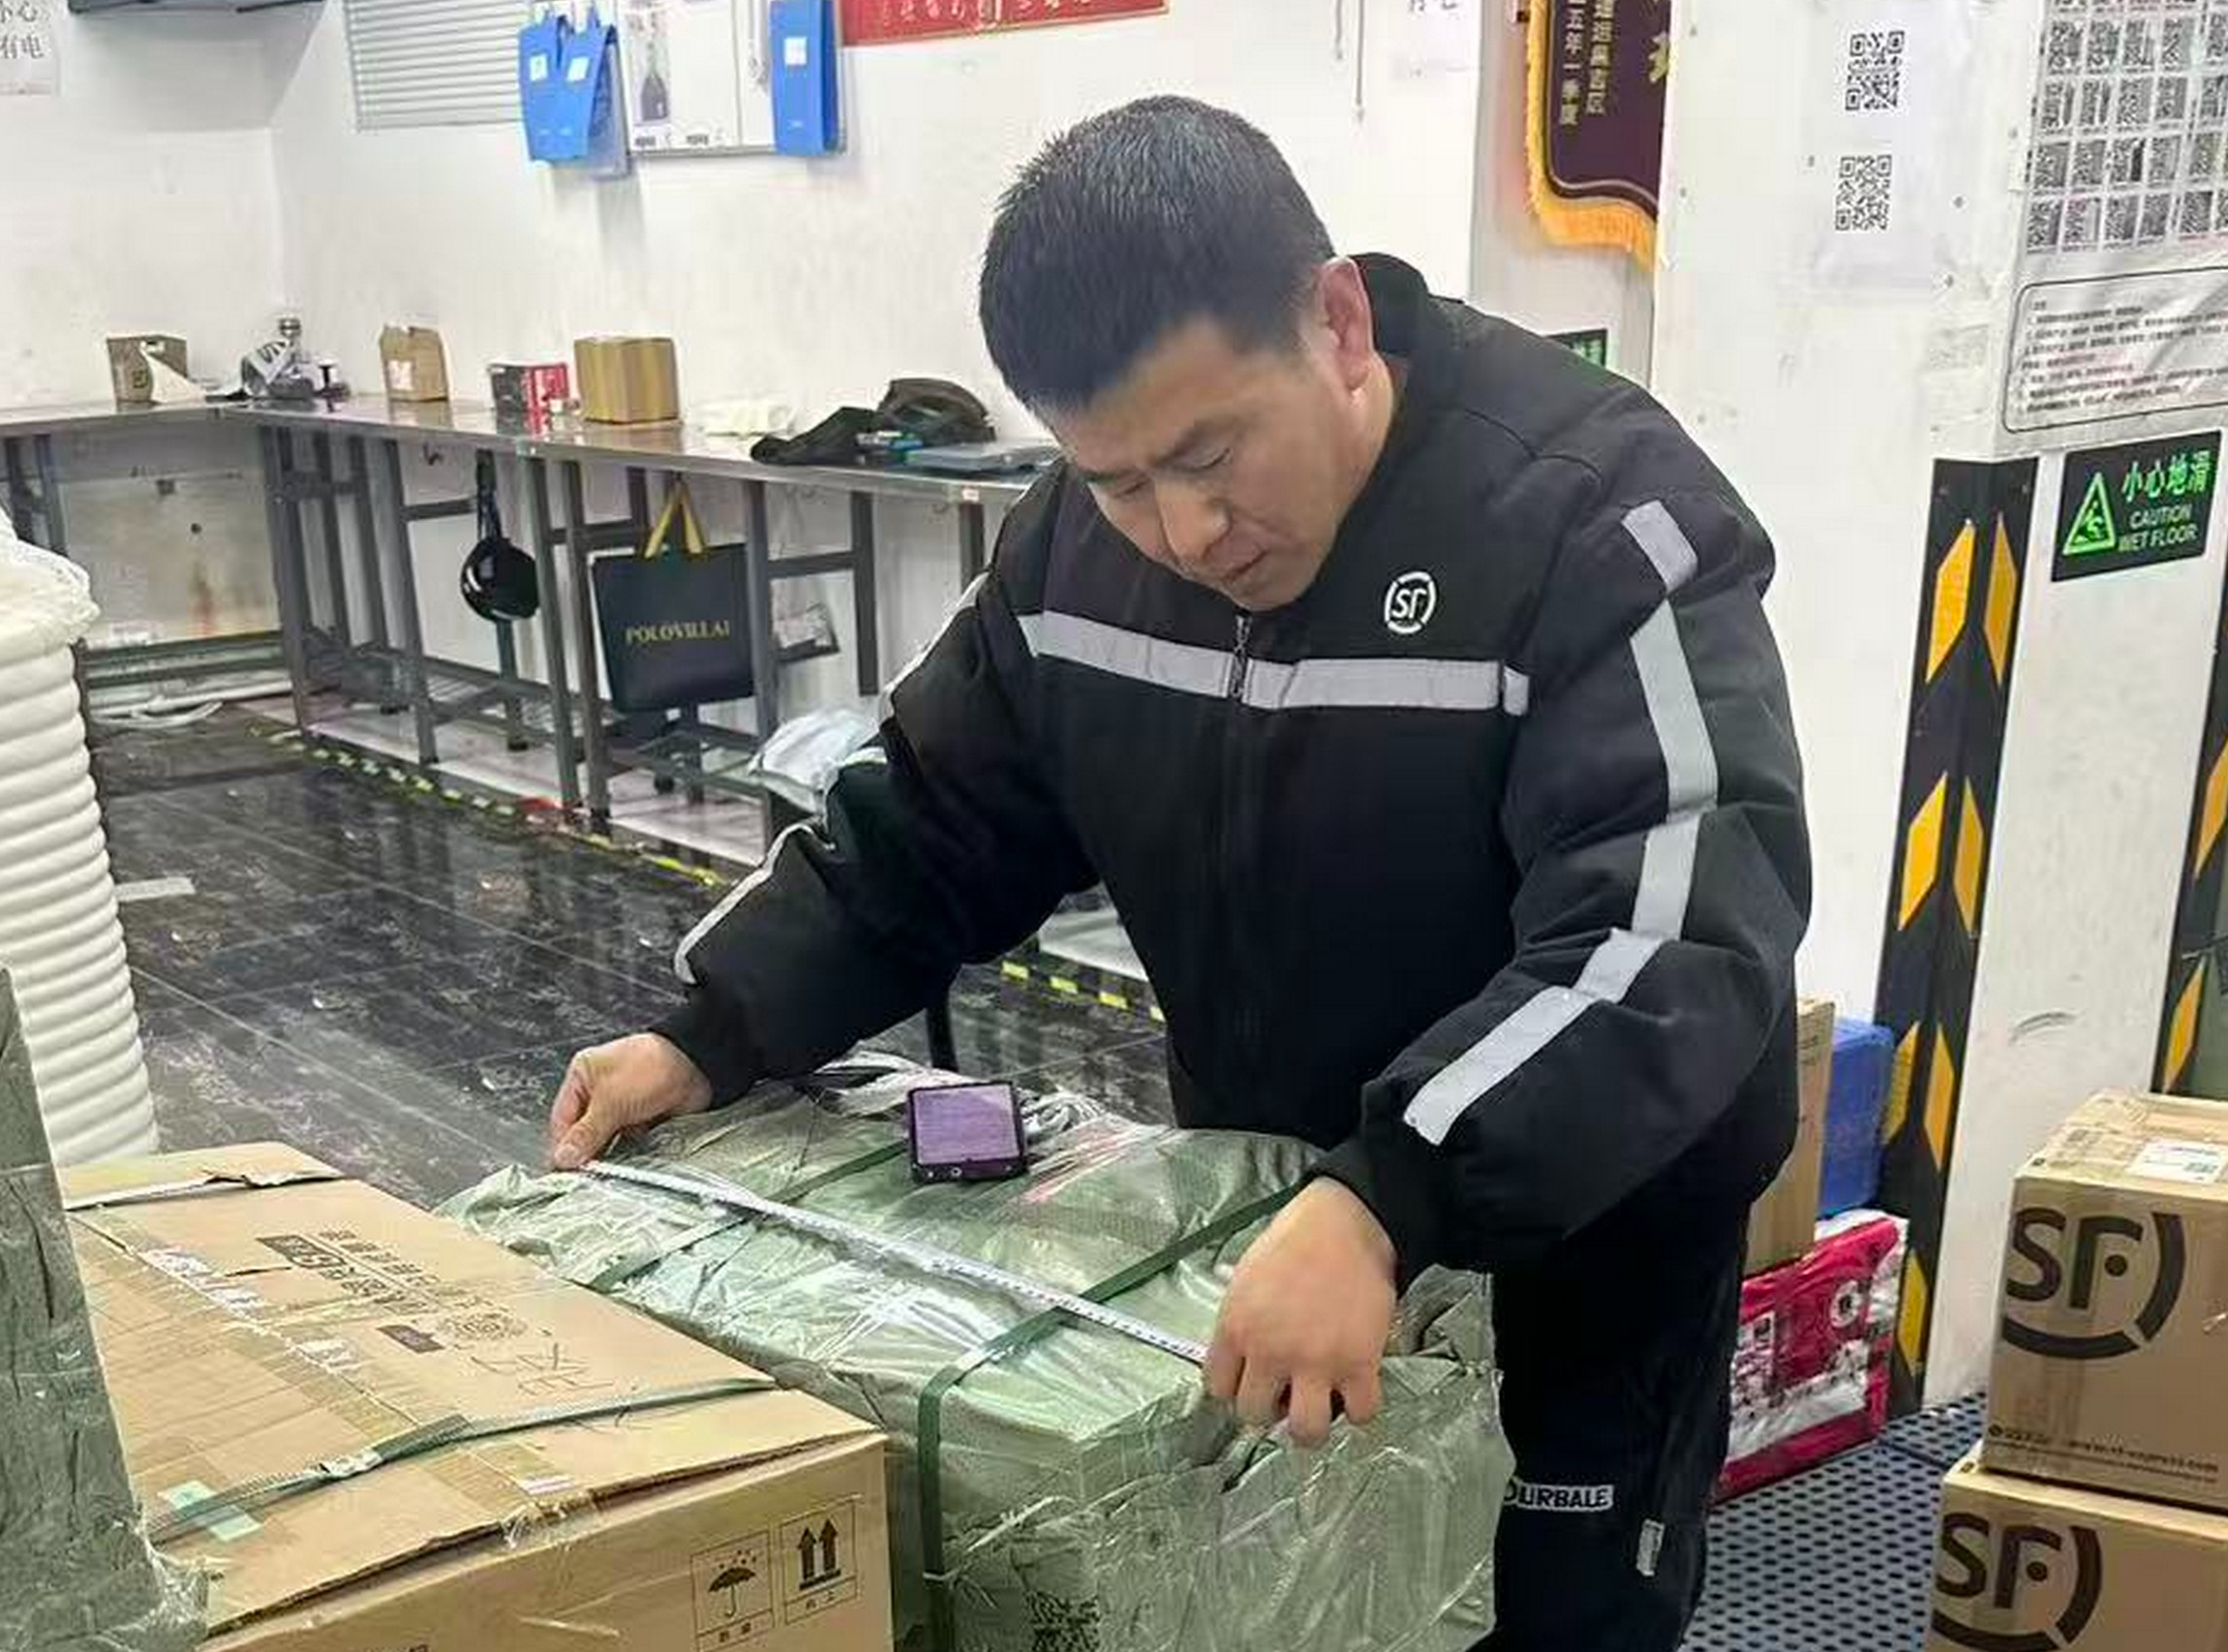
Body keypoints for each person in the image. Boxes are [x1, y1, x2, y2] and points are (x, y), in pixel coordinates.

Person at [545, 96, 1811, 1652]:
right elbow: (929, 817)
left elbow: (1672, 928)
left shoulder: (1594, 523)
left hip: (1574, 1256)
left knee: (1541, 1624)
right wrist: (714, 1027)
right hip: (1270, 1225)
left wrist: (1393, 1190)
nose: (1188, 530)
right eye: (1120, 478)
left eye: (1211, 454)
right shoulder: (1074, 559)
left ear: (1336, 321)